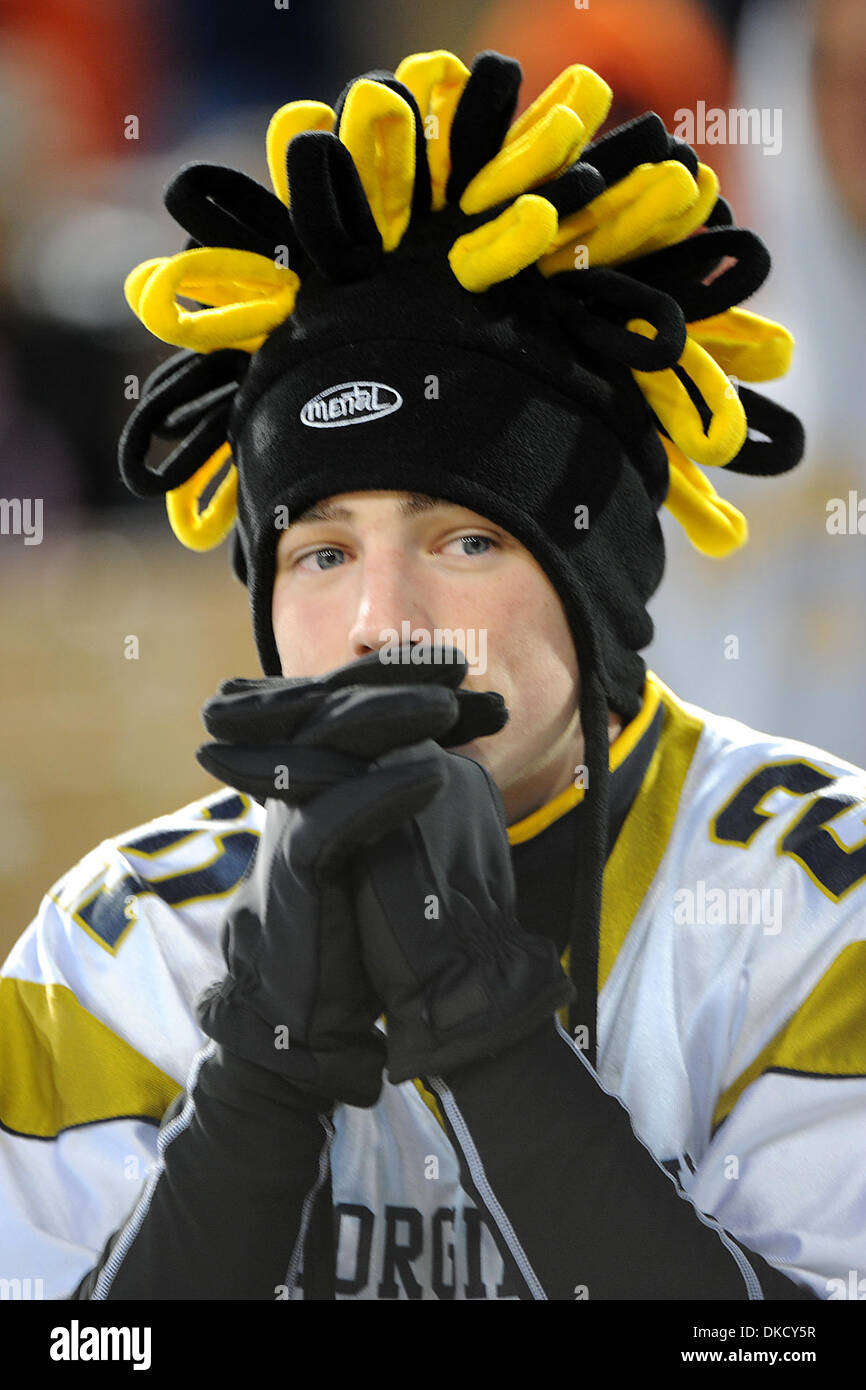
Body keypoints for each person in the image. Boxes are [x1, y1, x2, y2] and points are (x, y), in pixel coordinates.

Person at [1, 47, 861, 1302]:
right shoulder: (115, 939)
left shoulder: (819, 900)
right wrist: (263, 1080)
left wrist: (490, 1035)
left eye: (466, 539)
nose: (378, 622)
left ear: (601, 586)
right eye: (320, 550)